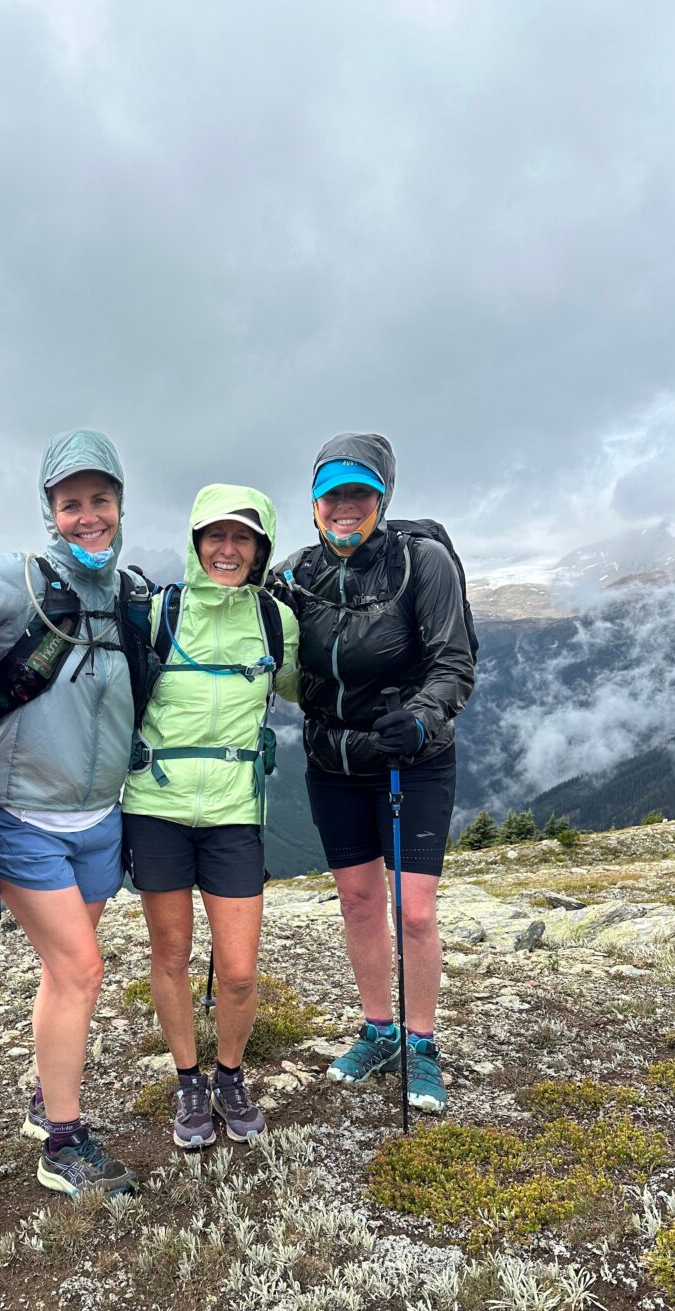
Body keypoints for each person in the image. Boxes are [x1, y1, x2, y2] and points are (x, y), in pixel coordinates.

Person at [0, 430, 143, 1197]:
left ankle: (47, 1095)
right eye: (71, 504)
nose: (88, 516)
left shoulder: (130, 595)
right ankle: (62, 1143)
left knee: (66, 972)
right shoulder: (19, 581)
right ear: (50, 511)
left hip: (102, 820)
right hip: (24, 817)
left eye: (100, 499)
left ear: (120, 504)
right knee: (80, 970)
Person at [271, 433, 475, 1114]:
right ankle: (379, 1031)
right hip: (333, 761)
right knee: (359, 903)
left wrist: (420, 718)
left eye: (360, 492)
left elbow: (454, 662)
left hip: (410, 759)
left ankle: (422, 1044)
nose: (346, 506)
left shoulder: (422, 563)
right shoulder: (295, 576)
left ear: (382, 498)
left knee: (413, 909)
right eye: (333, 494)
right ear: (314, 503)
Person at [121, 485, 299, 1148]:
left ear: (260, 549)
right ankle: (189, 1080)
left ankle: (230, 1075)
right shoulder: (159, 613)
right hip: (155, 806)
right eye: (215, 536)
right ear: (196, 542)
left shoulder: (277, 621)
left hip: (234, 811)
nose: (228, 549)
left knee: (241, 969)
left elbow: (307, 688)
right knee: (171, 953)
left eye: (242, 538)